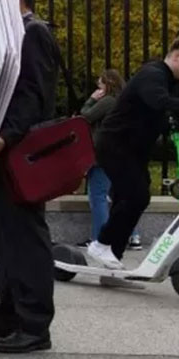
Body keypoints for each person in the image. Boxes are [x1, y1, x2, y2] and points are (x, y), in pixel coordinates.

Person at [0, 0, 58, 354]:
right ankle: (8, 311)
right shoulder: (9, 36)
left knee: (25, 237)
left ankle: (35, 324)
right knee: (7, 239)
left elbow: (32, 98)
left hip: (20, 153)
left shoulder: (33, 33)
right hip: (4, 156)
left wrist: (4, 137)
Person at [86, 38, 179, 269]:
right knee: (137, 195)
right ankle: (102, 244)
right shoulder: (153, 74)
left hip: (133, 149)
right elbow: (158, 101)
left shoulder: (171, 81)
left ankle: (112, 257)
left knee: (130, 197)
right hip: (115, 145)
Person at [77, 70, 142, 250]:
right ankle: (133, 236)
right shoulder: (128, 101)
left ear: (108, 85)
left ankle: (101, 239)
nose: (99, 89)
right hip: (124, 154)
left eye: (100, 85)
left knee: (98, 196)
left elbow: (86, 117)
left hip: (104, 155)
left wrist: (91, 99)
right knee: (121, 196)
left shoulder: (108, 101)